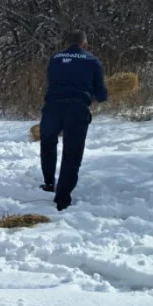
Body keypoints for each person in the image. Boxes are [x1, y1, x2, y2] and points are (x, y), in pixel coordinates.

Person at [39, 31, 108, 211]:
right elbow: (101, 94)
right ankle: (62, 198)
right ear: (84, 44)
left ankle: (48, 183)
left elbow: (53, 82)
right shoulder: (92, 61)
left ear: (67, 43)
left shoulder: (55, 58)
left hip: (52, 108)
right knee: (72, 154)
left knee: (48, 144)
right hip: (77, 110)